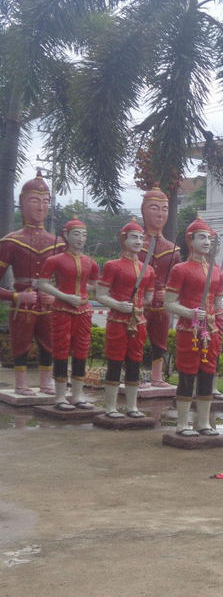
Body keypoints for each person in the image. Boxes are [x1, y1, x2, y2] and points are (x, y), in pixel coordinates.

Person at [0, 171, 65, 395]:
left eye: (45, 201)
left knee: (50, 344)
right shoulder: (11, 242)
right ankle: (21, 383)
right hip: (23, 304)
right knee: (21, 343)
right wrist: (16, 296)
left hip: (48, 305)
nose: (41, 207)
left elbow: (69, 283)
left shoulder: (57, 243)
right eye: (34, 200)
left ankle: (46, 383)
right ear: (22, 202)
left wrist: (55, 295)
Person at [164, 217, 223, 437]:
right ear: (190, 240)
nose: (207, 242)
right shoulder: (180, 269)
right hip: (188, 330)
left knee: (207, 375)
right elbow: (168, 303)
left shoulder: (217, 271)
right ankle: (182, 423)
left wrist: (216, 318)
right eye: (202, 237)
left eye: (209, 238)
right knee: (187, 375)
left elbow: (218, 302)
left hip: (210, 331)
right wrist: (190, 313)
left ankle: (203, 422)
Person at [36, 216, 100, 410]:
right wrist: (63, 295)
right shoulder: (54, 260)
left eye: (84, 235)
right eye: (76, 234)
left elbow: (95, 285)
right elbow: (42, 284)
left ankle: (78, 394)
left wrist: (82, 293)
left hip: (83, 310)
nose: (81, 238)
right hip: (61, 310)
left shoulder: (91, 262)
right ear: (66, 235)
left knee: (82, 350)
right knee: (61, 350)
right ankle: (60, 396)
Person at [95, 219, 156, 418]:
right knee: (114, 361)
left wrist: (146, 302)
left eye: (141, 238)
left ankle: (132, 406)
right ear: (124, 239)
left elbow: (148, 297)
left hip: (138, 322)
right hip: (118, 321)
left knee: (135, 363)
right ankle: (110, 407)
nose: (139, 241)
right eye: (134, 237)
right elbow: (100, 294)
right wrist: (118, 304)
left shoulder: (149, 269)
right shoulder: (113, 266)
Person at [138, 185, 181, 388]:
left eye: (164, 209)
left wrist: (169, 293)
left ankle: (157, 377)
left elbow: (176, 279)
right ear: (143, 210)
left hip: (162, 304)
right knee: (135, 337)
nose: (160, 214)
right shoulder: (137, 244)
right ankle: (133, 375)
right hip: (139, 301)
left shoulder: (172, 249)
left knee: (160, 340)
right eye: (154, 208)